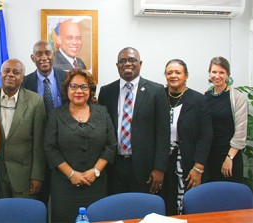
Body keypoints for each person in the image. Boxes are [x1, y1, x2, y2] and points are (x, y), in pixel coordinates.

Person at [44, 68, 116, 222]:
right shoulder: (55, 115)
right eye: (73, 86)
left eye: (84, 87)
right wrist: (71, 174)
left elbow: (111, 146)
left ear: (90, 90)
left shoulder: (102, 112)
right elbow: (50, 148)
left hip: (96, 185)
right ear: (67, 89)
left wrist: (95, 171)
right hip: (64, 187)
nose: (79, 91)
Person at [98, 47, 170, 195]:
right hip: (114, 166)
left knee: (142, 212)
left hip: (145, 168)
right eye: (122, 61)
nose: (127, 64)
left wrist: (159, 168)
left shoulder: (156, 91)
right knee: (116, 211)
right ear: (117, 65)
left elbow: (163, 133)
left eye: (132, 60)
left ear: (140, 63)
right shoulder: (106, 92)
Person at [0, 58, 46, 199]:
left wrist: (37, 175)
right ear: (0, 74)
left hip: (23, 175)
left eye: (16, 72)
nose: (10, 75)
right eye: (6, 71)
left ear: (22, 78)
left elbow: (39, 143)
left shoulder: (35, 101)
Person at [160, 59, 213, 215]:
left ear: (186, 75)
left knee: (187, 205)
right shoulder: (158, 96)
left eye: (178, 72)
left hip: (189, 161)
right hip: (163, 161)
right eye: (169, 72)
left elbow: (206, 136)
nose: (173, 76)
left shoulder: (198, 100)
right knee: (165, 202)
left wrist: (198, 167)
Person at [22, 40, 66, 207]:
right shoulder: (24, 83)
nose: (44, 57)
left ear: (53, 55)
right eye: (39, 54)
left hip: (63, 149)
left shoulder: (67, 78)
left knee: (62, 201)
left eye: (47, 53)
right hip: (36, 151)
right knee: (38, 202)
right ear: (32, 58)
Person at [205, 56, 247, 183]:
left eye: (221, 72)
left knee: (231, 197)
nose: (217, 76)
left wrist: (229, 158)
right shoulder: (205, 97)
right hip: (210, 157)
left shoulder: (237, 98)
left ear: (228, 74)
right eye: (214, 72)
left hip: (230, 157)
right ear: (209, 73)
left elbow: (241, 132)